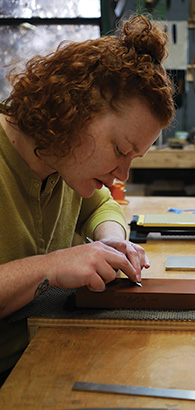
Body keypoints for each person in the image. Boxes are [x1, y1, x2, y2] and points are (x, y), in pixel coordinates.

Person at [0, 14, 175, 385]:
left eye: (134, 158)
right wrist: (48, 268)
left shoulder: (64, 163)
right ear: (72, 110)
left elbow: (102, 205)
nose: (122, 174)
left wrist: (111, 239)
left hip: (44, 355)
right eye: (120, 149)